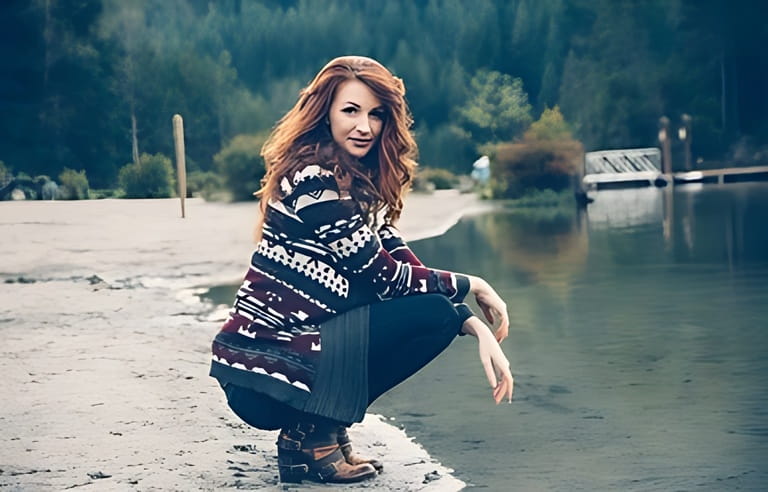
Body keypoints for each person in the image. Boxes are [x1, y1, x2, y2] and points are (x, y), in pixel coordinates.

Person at [209, 55, 513, 485]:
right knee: (434, 317)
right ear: (325, 113)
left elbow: (402, 264)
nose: (365, 126)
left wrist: (469, 321)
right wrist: (473, 285)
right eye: (351, 111)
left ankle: (322, 431)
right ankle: (310, 437)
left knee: (440, 314)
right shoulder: (313, 179)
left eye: (376, 114)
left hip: (292, 357)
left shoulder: (359, 184)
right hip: (261, 372)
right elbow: (384, 277)